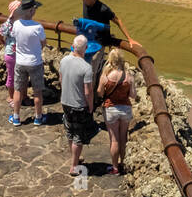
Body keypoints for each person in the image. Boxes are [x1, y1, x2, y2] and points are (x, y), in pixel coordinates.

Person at [57, 35, 96, 175]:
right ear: (85, 48)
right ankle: (74, 166)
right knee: (78, 136)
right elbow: (88, 91)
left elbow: (61, 80)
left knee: (70, 131)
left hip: (65, 101)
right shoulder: (86, 68)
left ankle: (75, 158)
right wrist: (90, 106)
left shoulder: (63, 60)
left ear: (73, 46)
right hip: (79, 104)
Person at [97, 47, 137, 175]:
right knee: (123, 138)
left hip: (111, 108)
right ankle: (123, 163)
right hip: (125, 109)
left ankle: (114, 168)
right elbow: (133, 95)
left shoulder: (106, 75)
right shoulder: (128, 76)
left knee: (114, 139)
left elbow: (99, 92)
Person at [9, 0, 47, 127]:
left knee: (18, 90)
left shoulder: (17, 24)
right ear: (31, 10)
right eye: (35, 9)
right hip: (35, 62)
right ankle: (38, 117)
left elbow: (14, 37)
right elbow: (43, 43)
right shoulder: (38, 27)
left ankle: (16, 117)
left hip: (20, 62)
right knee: (37, 91)